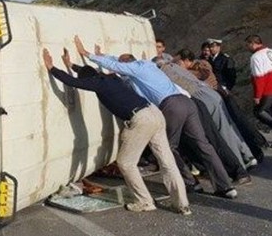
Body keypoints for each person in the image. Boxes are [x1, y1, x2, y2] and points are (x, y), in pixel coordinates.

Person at [75, 36, 237, 199]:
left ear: (128, 64)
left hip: (172, 106)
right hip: (187, 103)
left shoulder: (135, 69)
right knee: (203, 145)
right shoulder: (147, 65)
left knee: (167, 147)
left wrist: (87, 54)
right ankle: (225, 187)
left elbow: (116, 65)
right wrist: (103, 56)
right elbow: (117, 62)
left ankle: (190, 182)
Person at [42, 48, 190, 214]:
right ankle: (181, 204)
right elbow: (86, 74)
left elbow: (73, 82)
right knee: (167, 161)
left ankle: (145, 201)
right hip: (155, 113)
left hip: (141, 120)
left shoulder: (96, 83)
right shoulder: (112, 78)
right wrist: (71, 65)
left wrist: (51, 68)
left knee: (126, 163)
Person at [245, 35, 272, 149]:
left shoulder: (256, 57)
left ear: (253, 43)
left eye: (248, 45)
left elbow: (258, 77)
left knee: (259, 112)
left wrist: (257, 95)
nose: (247, 47)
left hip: (268, 89)